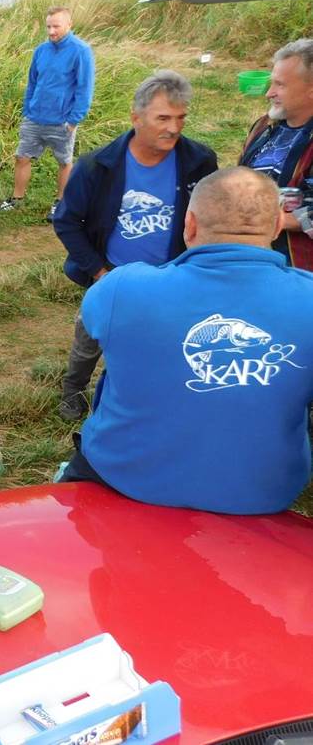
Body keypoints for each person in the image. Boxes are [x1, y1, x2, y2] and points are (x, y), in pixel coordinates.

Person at [59, 168, 313, 515]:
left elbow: (90, 325)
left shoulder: (122, 286)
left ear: (189, 225)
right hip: (260, 496)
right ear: (276, 228)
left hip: (123, 478)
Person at [52, 70, 217, 421]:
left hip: (173, 274)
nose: (173, 127)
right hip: (112, 274)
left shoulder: (199, 162)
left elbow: (210, 217)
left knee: (163, 338)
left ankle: (149, 395)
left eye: (180, 118)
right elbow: (67, 221)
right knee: (90, 335)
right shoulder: (98, 165)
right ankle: (73, 389)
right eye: (163, 118)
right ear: (136, 116)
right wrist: (98, 271)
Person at [0, 6, 95, 220]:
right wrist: (27, 109)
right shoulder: (41, 50)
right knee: (22, 157)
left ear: (69, 25)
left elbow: (84, 89)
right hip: (34, 117)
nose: (51, 31)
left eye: (56, 26)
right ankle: (17, 199)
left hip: (62, 121)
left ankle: (60, 204)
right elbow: (33, 82)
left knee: (64, 162)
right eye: (48, 27)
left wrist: (73, 120)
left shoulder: (81, 51)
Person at [239, 38, 313, 269]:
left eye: (280, 85)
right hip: (250, 256)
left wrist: (260, 222)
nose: (269, 93)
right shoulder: (264, 125)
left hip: (296, 270)